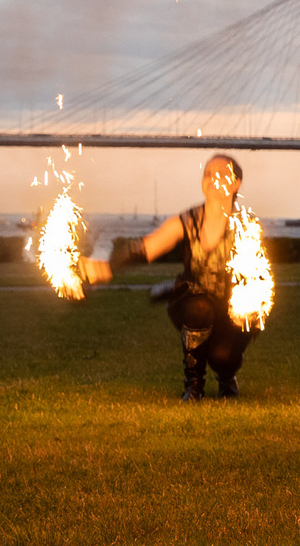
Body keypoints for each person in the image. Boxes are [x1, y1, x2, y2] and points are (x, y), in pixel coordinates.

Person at [79, 154, 259, 401]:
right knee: (199, 307)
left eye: (220, 174)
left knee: (222, 356)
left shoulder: (246, 225)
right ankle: (193, 386)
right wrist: (106, 267)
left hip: (231, 311)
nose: (212, 179)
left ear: (236, 183)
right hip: (194, 301)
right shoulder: (186, 221)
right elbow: (146, 247)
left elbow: (258, 278)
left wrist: (250, 310)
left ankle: (227, 375)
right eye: (207, 174)